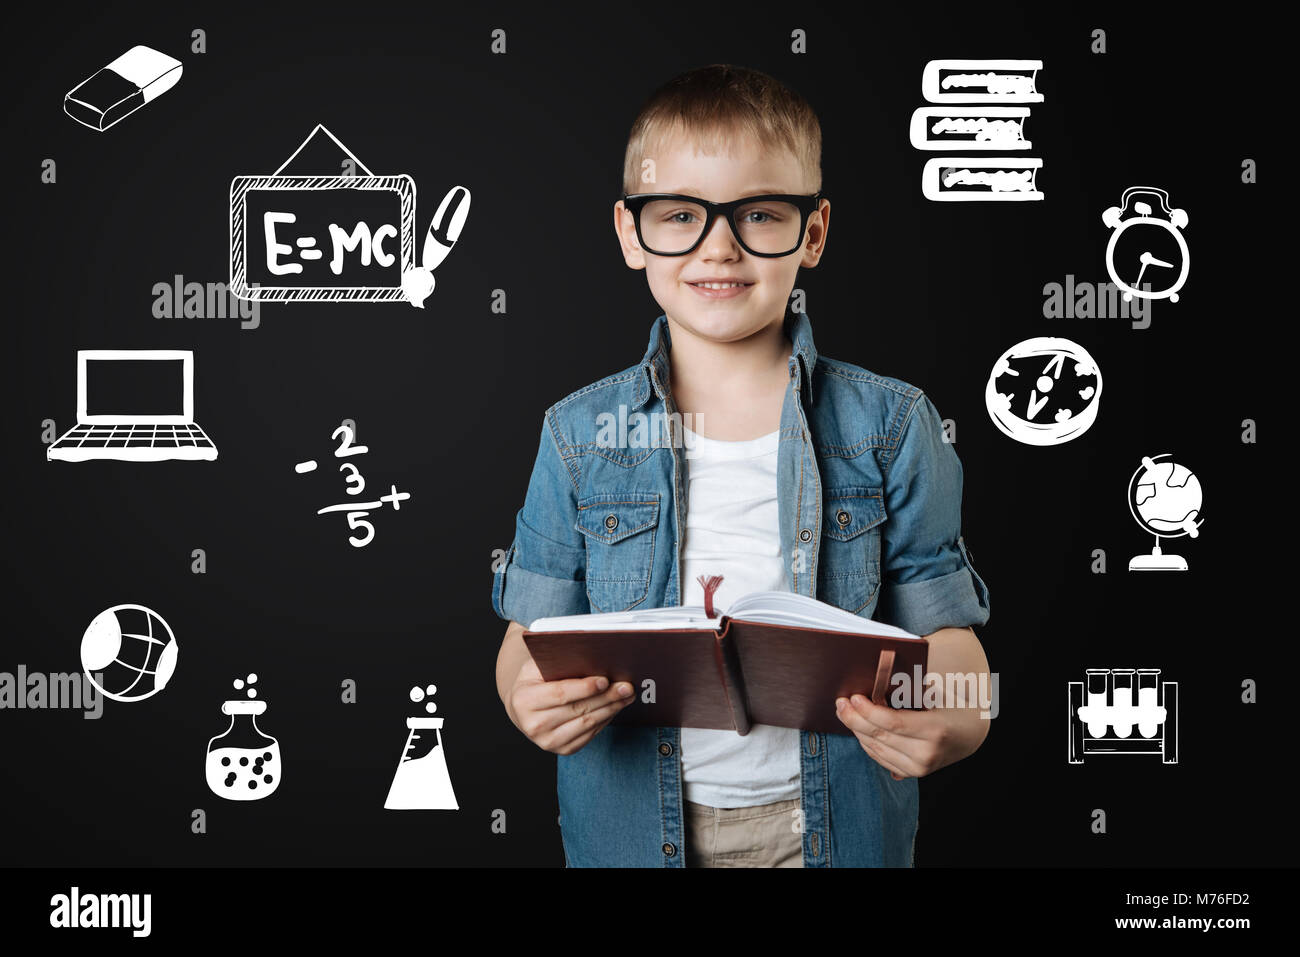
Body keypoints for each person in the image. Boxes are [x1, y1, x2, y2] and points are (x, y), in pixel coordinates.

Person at [491, 63, 991, 868]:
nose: (718, 246)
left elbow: (954, 643)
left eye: (759, 214)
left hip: (834, 832)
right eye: (680, 214)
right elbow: (527, 637)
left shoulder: (893, 425)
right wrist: (529, 702)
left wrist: (961, 718)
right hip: (632, 835)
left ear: (814, 232)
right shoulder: (579, 433)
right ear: (631, 233)